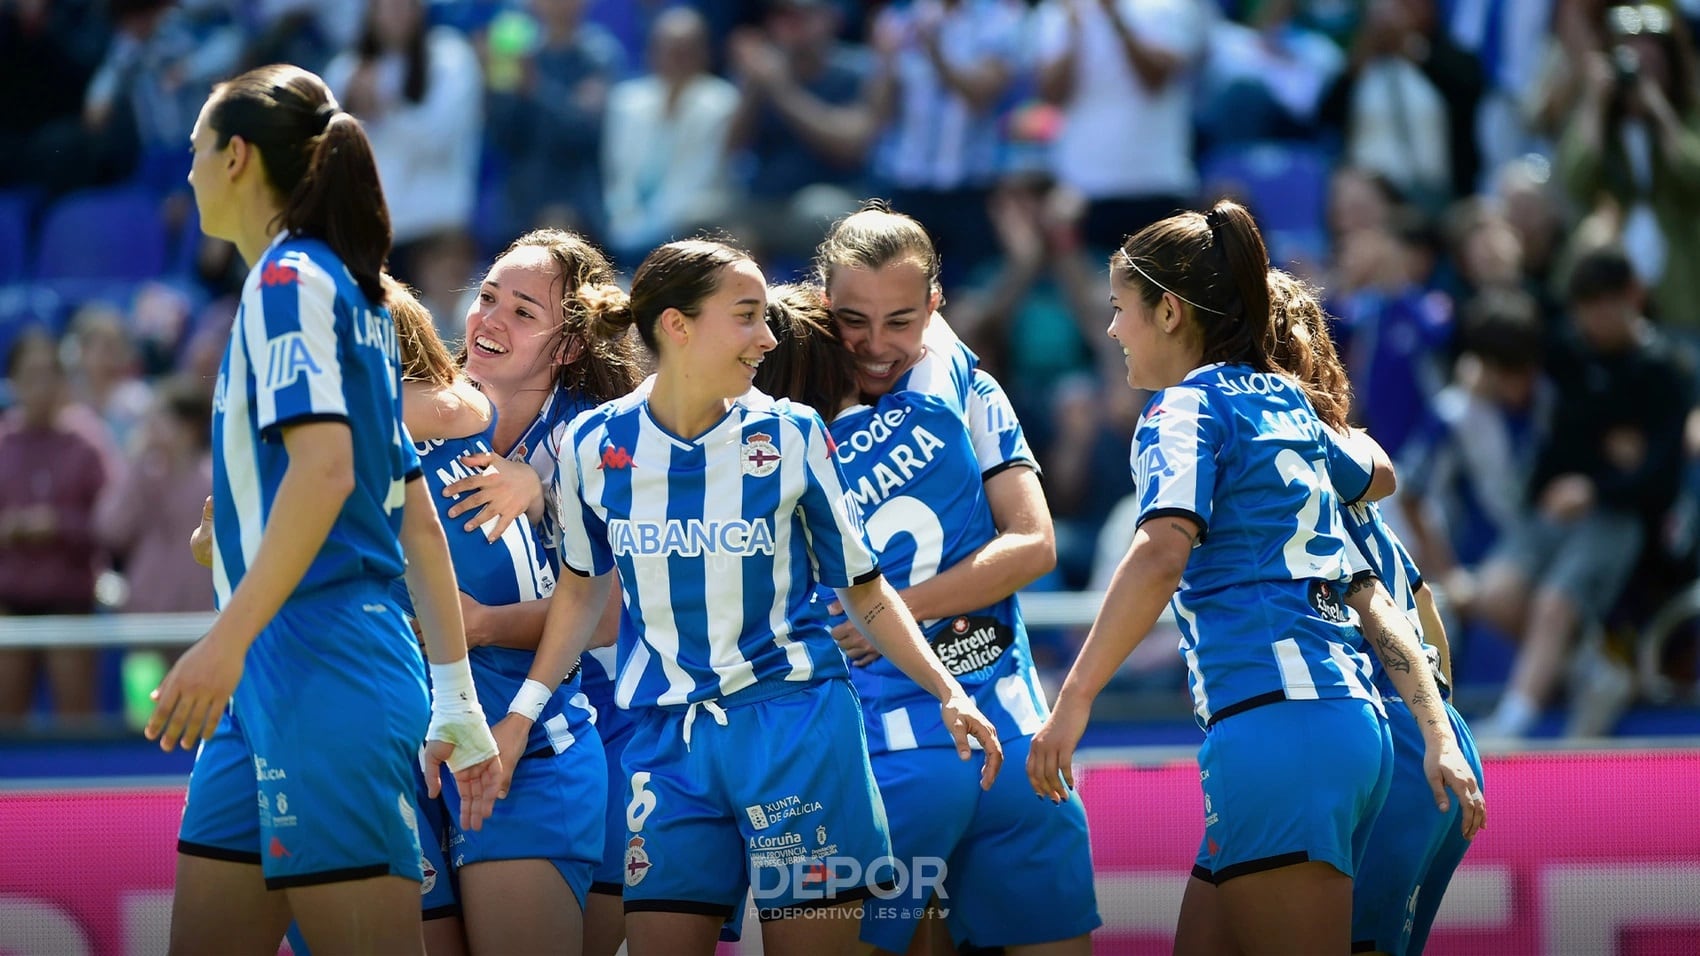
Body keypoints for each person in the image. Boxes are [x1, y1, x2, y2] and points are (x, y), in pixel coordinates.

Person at [498, 238, 1003, 955]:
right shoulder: (592, 444)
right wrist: (522, 715)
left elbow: (863, 588)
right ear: (678, 326)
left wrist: (946, 690)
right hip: (667, 746)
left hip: (795, 730)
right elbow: (582, 596)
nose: (768, 338)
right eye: (746, 316)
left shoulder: (792, 434)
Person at [143, 64, 500, 955]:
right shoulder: (343, 290)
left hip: (323, 661)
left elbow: (328, 473)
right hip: (271, 672)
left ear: (234, 158)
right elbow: (405, 507)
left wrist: (223, 640)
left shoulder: (288, 283)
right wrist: (454, 691)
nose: (183, 174)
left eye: (193, 152)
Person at [1026, 201, 1409, 953]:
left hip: (1277, 726)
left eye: (1119, 309)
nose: (1111, 331)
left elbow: (1163, 549)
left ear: (1169, 312)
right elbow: (1381, 474)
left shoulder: (1182, 408)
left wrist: (1073, 698)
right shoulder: (1284, 400)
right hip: (1329, 723)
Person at [755, 283, 1101, 955]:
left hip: (886, 761)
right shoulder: (941, 405)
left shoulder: (777, 466)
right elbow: (1036, 544)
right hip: (1016, 742)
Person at [417, 227, 646, 956]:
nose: (488, 320)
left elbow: (610, 614)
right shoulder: (425, 412)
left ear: (569, 346)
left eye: (522, 311)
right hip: (424, 739)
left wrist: (546, 494)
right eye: (487, 297)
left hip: (583, 734)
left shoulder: (602, 440)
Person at [1265, 269, 1486, 956]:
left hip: (1385, 746)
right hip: (1434, 737)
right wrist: (1442, 724)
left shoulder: (1272, 471)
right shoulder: (1344, 468)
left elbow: (1381, 603)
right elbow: (1423, 602)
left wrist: (1421, 731)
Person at [0, 331, 110, 721]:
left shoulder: (86, 443)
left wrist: (60, 526)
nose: (40, 386)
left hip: (70, 601)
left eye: (49, 374)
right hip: (9, 603)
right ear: (13, 381)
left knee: (77, 720)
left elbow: (111, 525)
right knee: (6, 721)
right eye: (31, 375)